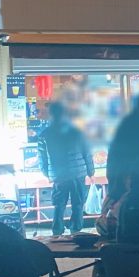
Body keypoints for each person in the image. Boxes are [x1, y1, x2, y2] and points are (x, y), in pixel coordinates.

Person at [38, 101, 94, 236]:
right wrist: (91, 172)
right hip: (77, 173)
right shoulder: (77, 132)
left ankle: (57, 231)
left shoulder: (45, 134)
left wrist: (48, 174)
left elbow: (42, 159)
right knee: (78, 203)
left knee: (59, 204)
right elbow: (87, 153)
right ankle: (76, 230)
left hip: (58, 174)